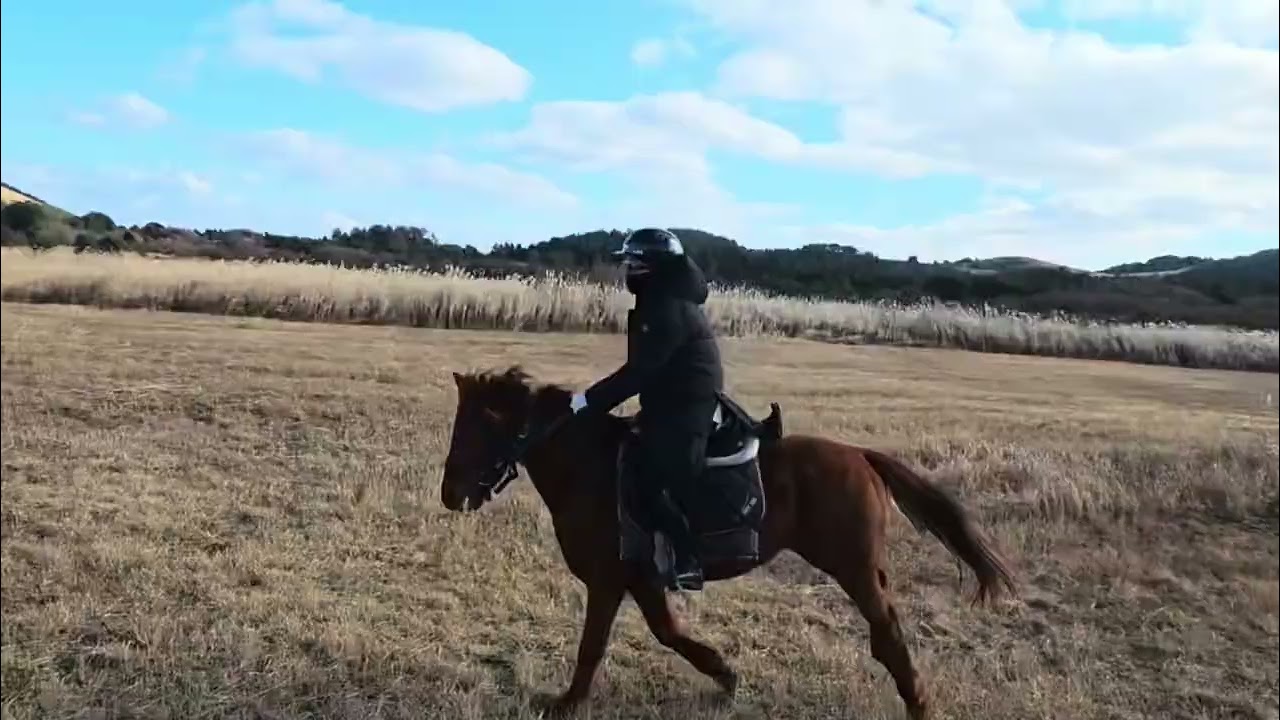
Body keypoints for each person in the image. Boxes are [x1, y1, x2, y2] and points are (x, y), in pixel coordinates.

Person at [568, 227, 724, 591]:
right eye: (627, 262)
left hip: (686, 410)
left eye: (634, 262)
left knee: (651, 485)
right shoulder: (662, 300)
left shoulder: (666, 307)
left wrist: (587, 402)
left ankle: (688, 559)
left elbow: (639, 372)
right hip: (669, 403)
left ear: (655, 267)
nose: (627, 270)